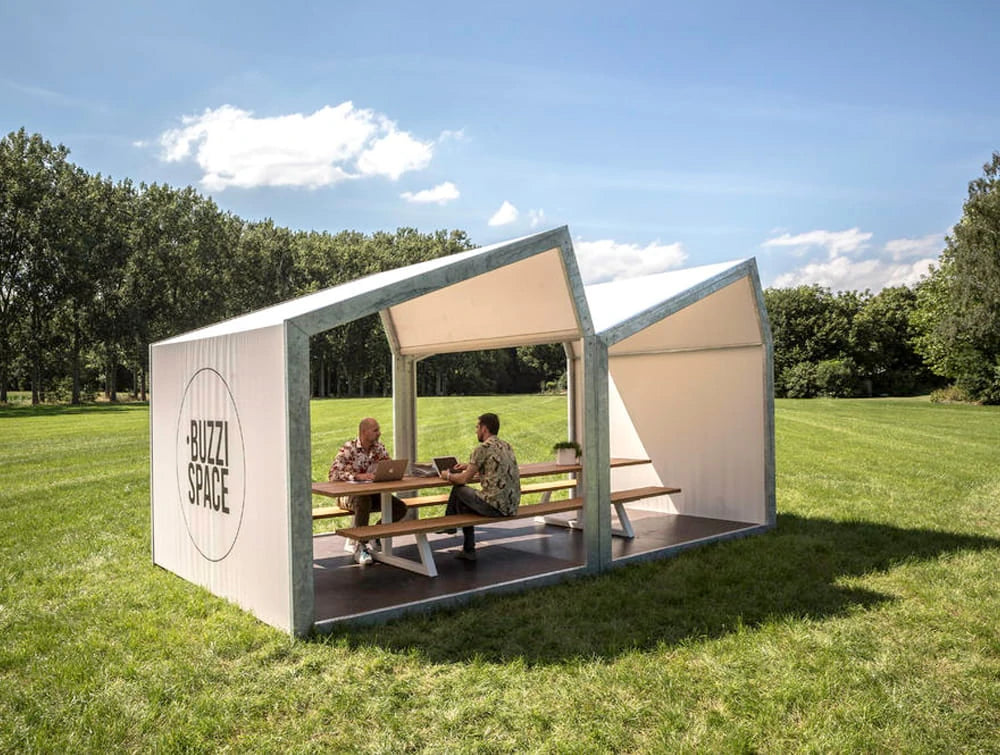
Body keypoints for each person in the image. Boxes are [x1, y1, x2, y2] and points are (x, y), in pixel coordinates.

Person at [441, 412, 520, 561]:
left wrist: (448, 476)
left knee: (458, 490)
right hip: (512, 506)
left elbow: (463, 479)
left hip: (495, 506)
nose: (475, 430)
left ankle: (449, 524)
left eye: (477, 427)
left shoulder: (482, 448)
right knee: (465, 504)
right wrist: (470, 465)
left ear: (484, 429)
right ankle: (468, 550)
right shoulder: (506, 445)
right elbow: (494, 467)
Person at [328, 417, 407, 566]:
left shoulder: (379, 448)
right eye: (375, 430)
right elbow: (333, 474)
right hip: (347, 496)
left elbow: (389, 466)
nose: (379, 433)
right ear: (364, 432)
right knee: (363, 500)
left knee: (400, 508)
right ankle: (360, 545)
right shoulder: (348, 449)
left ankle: (374, 535)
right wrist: (356, 476)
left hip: (373, 494)